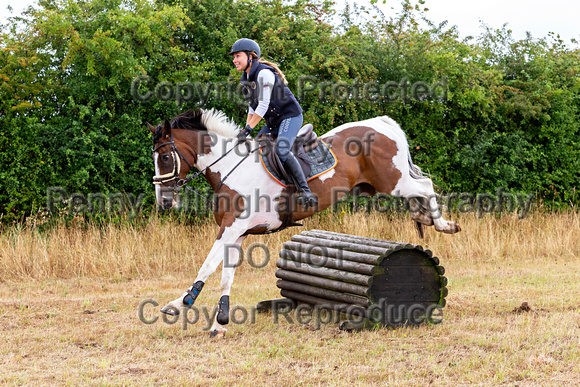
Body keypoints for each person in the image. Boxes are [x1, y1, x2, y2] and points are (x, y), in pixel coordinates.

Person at [230, 38, 317, 208]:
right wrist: (245, 131)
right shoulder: (245, 80)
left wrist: (249, 128)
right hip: (274, 122)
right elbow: (252, 109)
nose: (234, 60)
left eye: (238, 56)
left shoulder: (264, 73)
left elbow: (263, 105)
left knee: (282, 151)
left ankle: (305, 191)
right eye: (233, 57)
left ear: (250, 56)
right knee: (254, 150)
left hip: (290, 116)